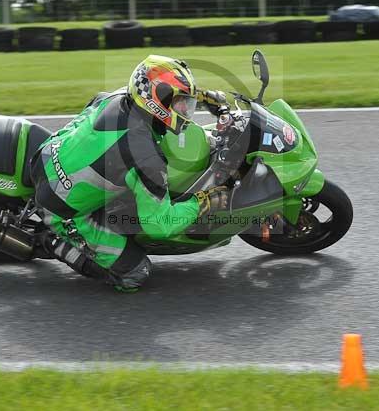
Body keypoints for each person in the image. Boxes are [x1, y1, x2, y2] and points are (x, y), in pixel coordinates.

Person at [30, 55, 230, 292]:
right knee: (135, 274)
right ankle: (51, 241)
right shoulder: (144, 157)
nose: (186, 109)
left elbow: (99, 101)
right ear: (157, 102)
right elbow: (160, 224)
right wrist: (204, 202)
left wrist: (201, 96)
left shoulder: (119, 97)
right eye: (180, 103)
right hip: (61, 209)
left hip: (48, 153)